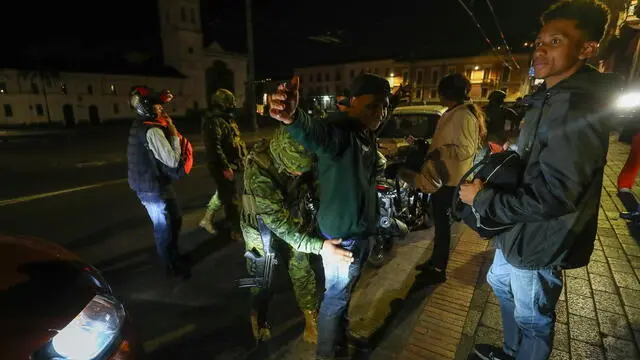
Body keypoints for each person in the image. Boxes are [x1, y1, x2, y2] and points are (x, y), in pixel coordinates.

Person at [459, 1, 620, 359]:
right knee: (499, 281)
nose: (541, 49)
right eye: (539, 41)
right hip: (520, 226)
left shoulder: (577, 105)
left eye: (556, 41)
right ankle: (513, 351)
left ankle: (522, 350)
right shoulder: (550, 96)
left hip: (542, 235)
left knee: (533, 316)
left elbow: (557, 194)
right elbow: (540, 157)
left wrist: (481, 199)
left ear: (587, 48)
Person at [269, 73, 389, 360]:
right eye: (373, 106)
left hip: (360, 234)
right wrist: (293, 116)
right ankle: (326, 354)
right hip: (342, 240)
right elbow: (315, 133)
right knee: (335, 299)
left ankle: (340, 340)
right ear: (354, 102)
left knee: (342, 296)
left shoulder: (364, 135)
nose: (380, 113)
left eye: (385, 106)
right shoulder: (341, 134)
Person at [241, 126, 353, 344]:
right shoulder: (259, 173)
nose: (298, 174)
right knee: (261, 277)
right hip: (260, 228)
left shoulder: (302, 154)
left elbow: (315, 184)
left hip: (291, 216)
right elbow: (280, 226)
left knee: (302, 270)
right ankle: (258, 314)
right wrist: (321, 246)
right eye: (293, 171)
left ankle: (311, 319)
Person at [403, 73, 486, 284]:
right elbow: (449, 140)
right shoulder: (454, 112)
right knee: (440, 227)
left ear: (448, 94)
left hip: (451, 182)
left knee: (443, 227)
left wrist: (440, 153)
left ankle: (439, 268)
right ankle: (435, 262)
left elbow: (466, 149)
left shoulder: (463, 115)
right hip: (444, 177)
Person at [127, 86, 193, 279]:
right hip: (150, 188)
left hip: (155, 182)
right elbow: (172, 160)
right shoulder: (151, 130)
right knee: (164, 227)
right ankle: (170, 266)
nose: (161, 109)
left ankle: (174, 256)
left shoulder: (142, 124)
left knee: (176, 219)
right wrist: (172, 133)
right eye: (157, 105)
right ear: (146, 107)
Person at [199, 89, 247, 240]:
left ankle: (207, 219)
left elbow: (235, 141)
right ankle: (235, 230)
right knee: (231, 199)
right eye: (230, 102)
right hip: (222, 166)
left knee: (223, 193)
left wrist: (244, 157)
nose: (233, 105)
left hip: (232, 163)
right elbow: (215, 148)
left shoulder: (227, 119)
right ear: (222, 104)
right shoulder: (214, 121)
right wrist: (225, 167)